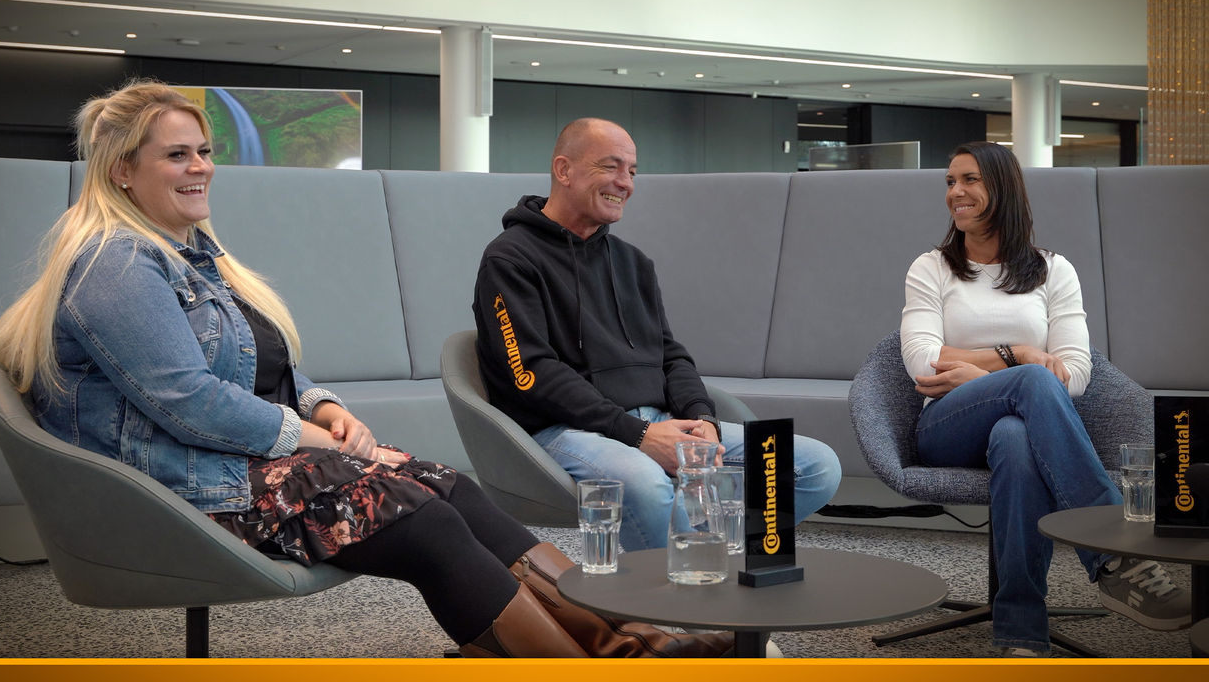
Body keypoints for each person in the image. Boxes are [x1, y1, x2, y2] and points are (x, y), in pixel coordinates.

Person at [0, 80, 733, 659]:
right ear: (122, 171)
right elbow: (189, 404)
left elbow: (269, 368)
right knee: (423, 521)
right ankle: (594, 656)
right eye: (177, 154)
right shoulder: (116, 266)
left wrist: (322, 408)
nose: (200, 167)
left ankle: (617, 641)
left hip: (245, 460)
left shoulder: (194, 257)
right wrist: (315, 442)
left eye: (205, 150)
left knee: (451, 489)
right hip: (191, 485)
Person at [472, 117, 841, 552]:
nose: (624, 182)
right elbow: (531, 374)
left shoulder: (633, 262)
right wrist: (637, 435)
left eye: (632, 171)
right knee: (644, 482)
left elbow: (670, 356)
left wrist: (703, 421)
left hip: (660, 421)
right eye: (611, 167)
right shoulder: (509, 260)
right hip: (564, 430)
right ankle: (690, 587)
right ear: (564, 170)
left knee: (815, 464)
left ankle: (707, 558)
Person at [900, 141, 1192, 657]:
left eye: (969, 180)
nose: (955, 192)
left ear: (1003, 188)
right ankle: (1114, 550)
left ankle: (1020, 632)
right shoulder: (930, 268)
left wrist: (976, 368)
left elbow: (1076, 373)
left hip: (1015, 423)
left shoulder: (1054, 270)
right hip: (947, 427)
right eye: (949, 181)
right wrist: (1020, 355)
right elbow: (923, 363)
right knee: (1034, 381)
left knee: (1015, 436)